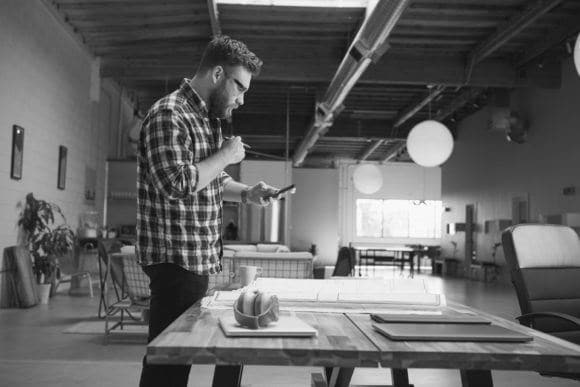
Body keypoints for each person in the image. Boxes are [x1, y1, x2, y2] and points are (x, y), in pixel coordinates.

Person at [136, 35, 279, 387]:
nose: (242, 100)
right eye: (240, 88)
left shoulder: (206, 118)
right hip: (174, 260)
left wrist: (247, 193)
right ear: (218, 74)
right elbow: (178, 183)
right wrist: (226, 155)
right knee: (167, 365)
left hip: (195, 259)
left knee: (176, 361)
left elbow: (211, 179)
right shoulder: (170, 114)